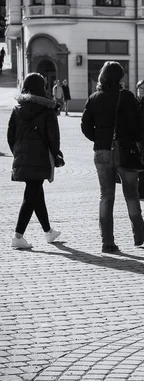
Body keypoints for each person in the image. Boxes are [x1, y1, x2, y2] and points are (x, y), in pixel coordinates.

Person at [81, 61, 144, 253]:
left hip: (102, 151)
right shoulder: (127, 97)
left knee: (106, 196)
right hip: (125, 150)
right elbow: (138, 125)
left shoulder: (94, 98)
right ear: (120, 78)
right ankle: (139, 234)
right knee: (131, 195)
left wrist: (100, 139)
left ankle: (107, 242)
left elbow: (85, 127)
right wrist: (132, 140)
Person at [7, 72, 63, 249]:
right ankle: (18, 235)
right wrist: (56, 154)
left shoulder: (17, 108)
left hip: (22, 155)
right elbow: (53, 137)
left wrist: (17, 152)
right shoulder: (47, 110)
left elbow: (10, 135)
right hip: (40, 157)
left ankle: (48, 232)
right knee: (31, 194)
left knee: (36, 193)